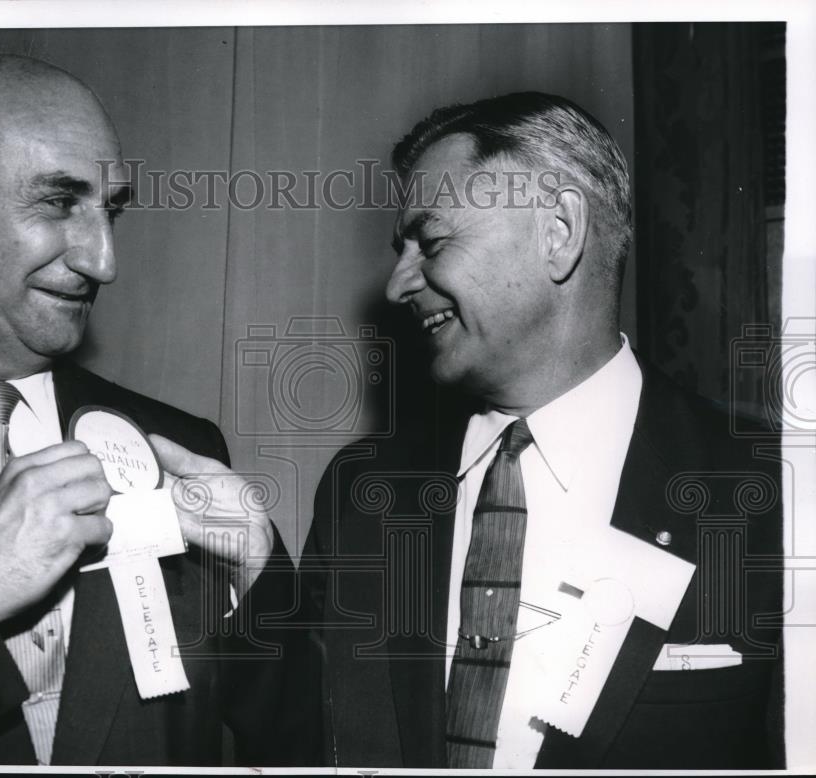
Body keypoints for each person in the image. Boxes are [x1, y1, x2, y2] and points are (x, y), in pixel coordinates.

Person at [0, 49, 310, 766]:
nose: (104, 261)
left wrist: (261, 580)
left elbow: (304, 742)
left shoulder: (175, 446)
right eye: (59, 201)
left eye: (110, 209)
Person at [301, 92, 783, 769]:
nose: (397, 285)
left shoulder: (774, 496)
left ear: (558, 231)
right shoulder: (361, 493)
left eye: (430, 242)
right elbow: (294, 734)